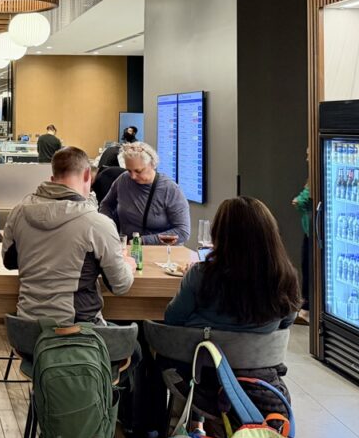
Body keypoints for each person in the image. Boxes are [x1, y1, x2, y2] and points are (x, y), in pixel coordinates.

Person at [2, 146, 135, 324]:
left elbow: (9, 261)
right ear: (88, 175)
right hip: (76, 333)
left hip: (27, 328)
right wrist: (128, 264)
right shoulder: (97, 224)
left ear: (52, 179)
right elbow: (120, 285)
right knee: (135, 349)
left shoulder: (18, 212)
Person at [164, 197, 301, 333]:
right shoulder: (284, 275)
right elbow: (287, 320)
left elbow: (173, 318)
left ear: (219, 233)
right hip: (259, 353)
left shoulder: (201, 274)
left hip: (203, 351)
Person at [99, 141, 190, 244]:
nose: (132, 176)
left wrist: (142, 241)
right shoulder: (123, 180)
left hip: (160, 253)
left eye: (138, 171)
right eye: (129, 171)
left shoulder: (170, 189)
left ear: (152, 165)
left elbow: (182, 232)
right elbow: (106, 205)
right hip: (129, 249)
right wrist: (109, 227)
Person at [292, 149, 312, 325]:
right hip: (310, 230)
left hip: (314, 232)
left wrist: (298, 201)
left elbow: (302, 200)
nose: (306, 157)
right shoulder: (312, 178)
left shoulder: (316, 178)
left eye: (308, 153)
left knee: (309, 269)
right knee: (306, 267)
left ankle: (307, 308)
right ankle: (307, 306)